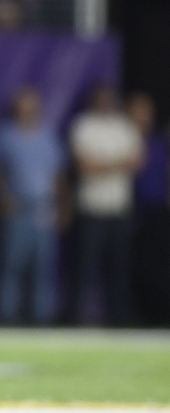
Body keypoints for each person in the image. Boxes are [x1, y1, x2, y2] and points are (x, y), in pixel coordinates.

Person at [69, 85, 142, 324]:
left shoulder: (124, 126)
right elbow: (84, 167)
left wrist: (102, 165)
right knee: (84, 270)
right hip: (93, 210)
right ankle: (77, 320)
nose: (105, 102)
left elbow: (137, 162)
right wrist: (118, 164)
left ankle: (119, 320)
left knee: (119, 271)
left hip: (119, 210)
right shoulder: (84, 125)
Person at [0, 86, 65, 324]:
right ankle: (7, 316)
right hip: (18, 207)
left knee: (43, 268)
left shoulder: (47, 137)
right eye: (23, 107)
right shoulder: (5, 136)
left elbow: (57, 175)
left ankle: (41, 318)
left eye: (31, 107)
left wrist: (62, 206)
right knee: (11, 265)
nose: (27, 112)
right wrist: (2, 199)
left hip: (43, 207)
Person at [126, 93, 170, 325]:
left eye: (147, 112)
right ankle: (135, 315)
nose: (144, 117)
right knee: (132, 266)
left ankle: (159, 314)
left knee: (159, 267)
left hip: (158, 212)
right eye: (139, 111)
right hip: (130, 211)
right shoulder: (122, 139)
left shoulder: (157, 143)